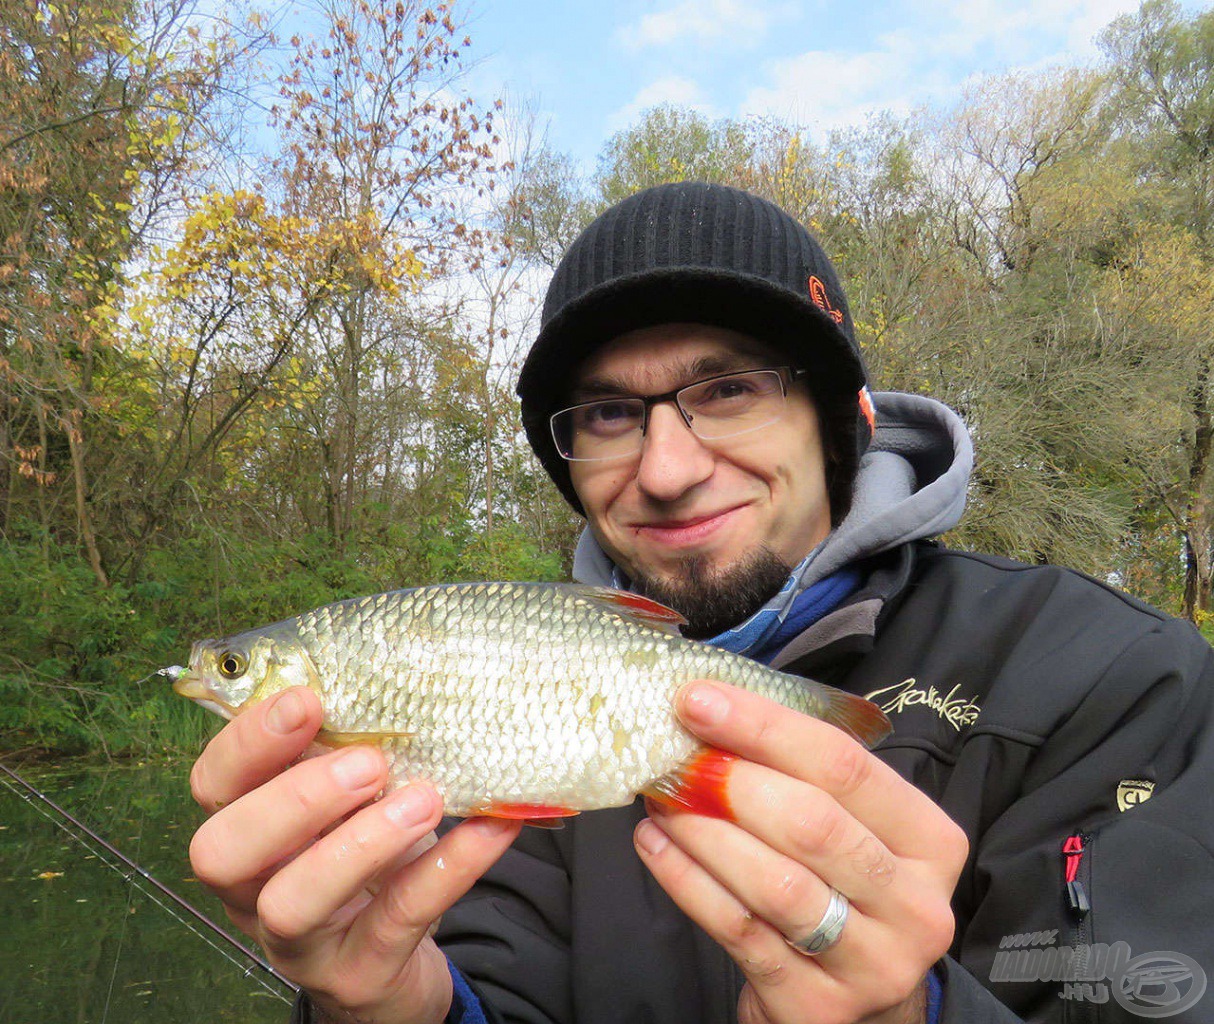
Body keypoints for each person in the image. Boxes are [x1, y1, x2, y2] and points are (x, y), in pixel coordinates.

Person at [187, 182, 1214, 1024]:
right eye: (606, 412)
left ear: (842, 421)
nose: (667, 467)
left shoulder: (1121, 679)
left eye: (726, 389)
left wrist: (921, 1015)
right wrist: (390, 1009)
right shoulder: (515, 700)